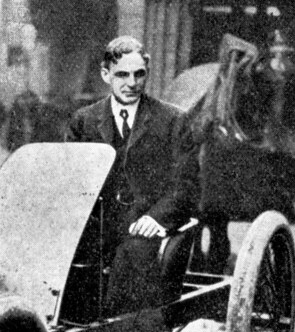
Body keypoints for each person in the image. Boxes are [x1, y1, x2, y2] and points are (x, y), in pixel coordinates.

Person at [65, 36, 199, 316]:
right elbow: (71, 181)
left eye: (139, 74)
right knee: (67, 263)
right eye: (122, 74)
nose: (132, 82)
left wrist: (156, 218)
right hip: (98, 225)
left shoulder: (173, 121)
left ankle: (119, 326)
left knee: (134, 254)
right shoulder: (84, 121)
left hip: (144, 224)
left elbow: (185, 185)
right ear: (106, 75)